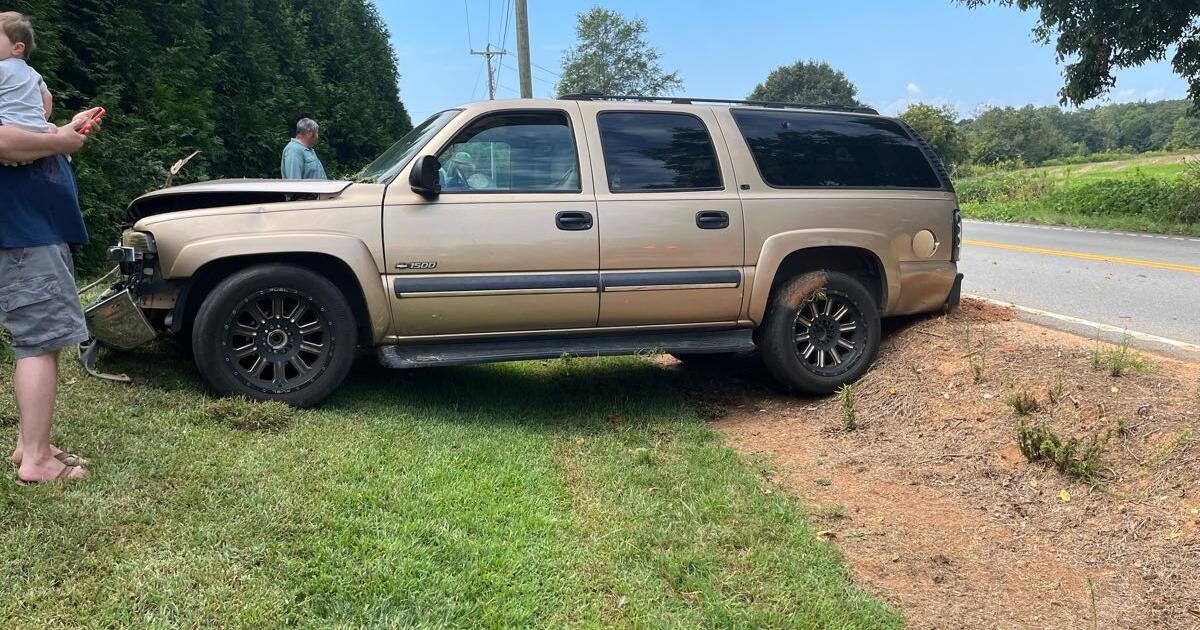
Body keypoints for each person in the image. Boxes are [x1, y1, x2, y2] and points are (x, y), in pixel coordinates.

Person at [0, 15, 98, 483]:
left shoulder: (16, 89)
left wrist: (62, 130)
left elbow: (26, 129)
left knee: (46, 340)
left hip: (34, 233)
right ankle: (38, 462)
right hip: (23, 236)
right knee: (37, 345)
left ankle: (28, 445)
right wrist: (59, 139)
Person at [0, 12, 56, 167]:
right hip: (37, 138)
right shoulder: (33, 73)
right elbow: (48, 98)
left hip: (10, 138)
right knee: (52, 128)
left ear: (17, 48)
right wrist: (38, 121)